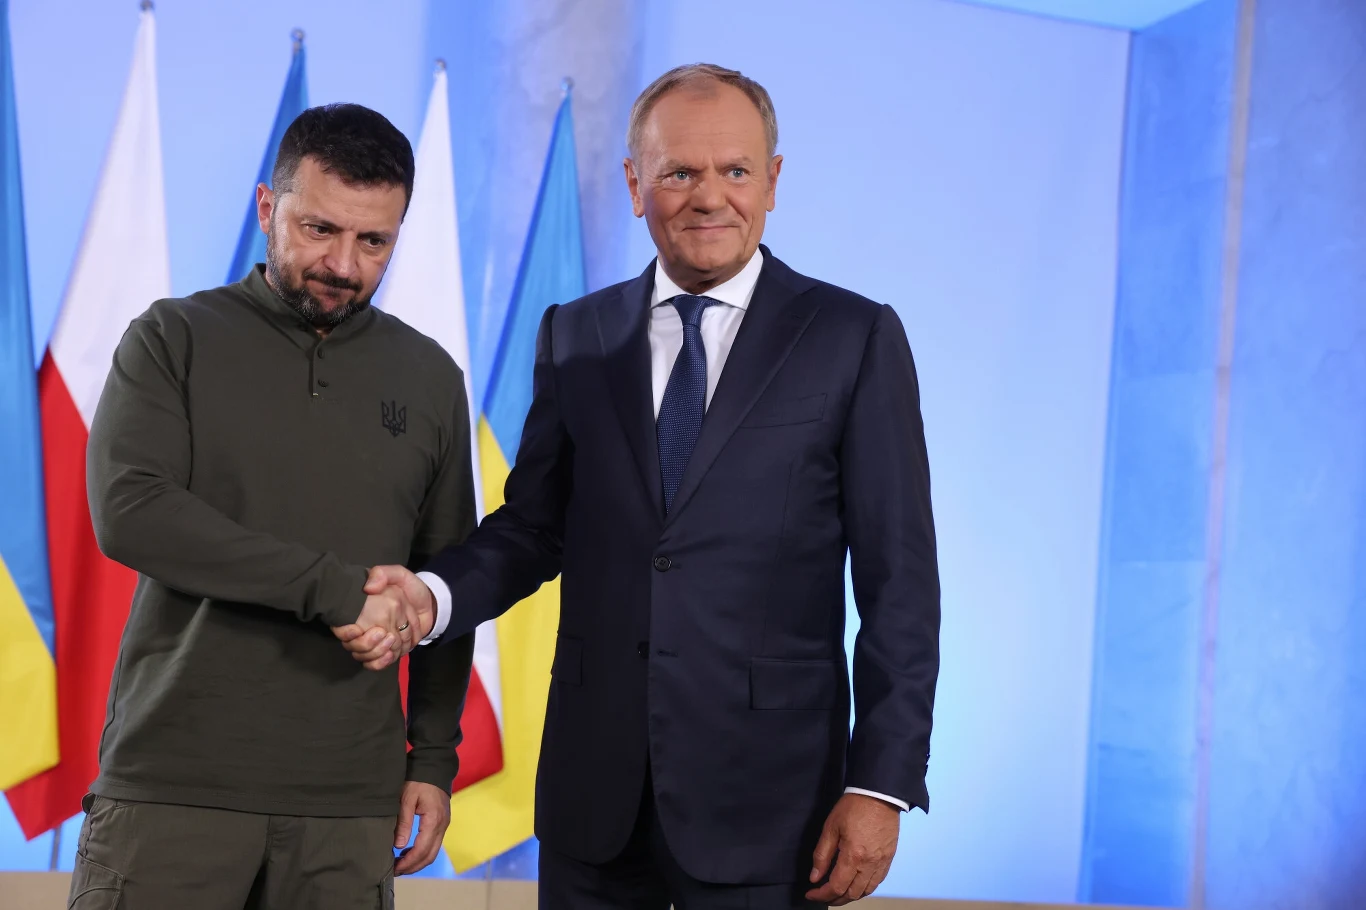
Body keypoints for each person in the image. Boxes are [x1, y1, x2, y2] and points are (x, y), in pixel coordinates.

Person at [346, 63, 941, 909]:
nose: (709, 197)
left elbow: (900, 585)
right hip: (594, 801)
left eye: (736, 170)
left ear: (774, 181)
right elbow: (534, 528)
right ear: (635, 185)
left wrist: (879, 783)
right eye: (679, 172)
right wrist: (431, 596)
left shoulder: (853, 337)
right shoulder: (576, 333)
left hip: (771, 808)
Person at [74, 103, 475, 910]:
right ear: (267, 207)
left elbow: (443, 580)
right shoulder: (173, 338)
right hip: (172, 786)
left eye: (374, 242)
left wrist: (432, 758)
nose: (343, 264)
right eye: (318, 229)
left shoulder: (432, 379)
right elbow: (132, 511)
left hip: (349, 806)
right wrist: (336, 590)